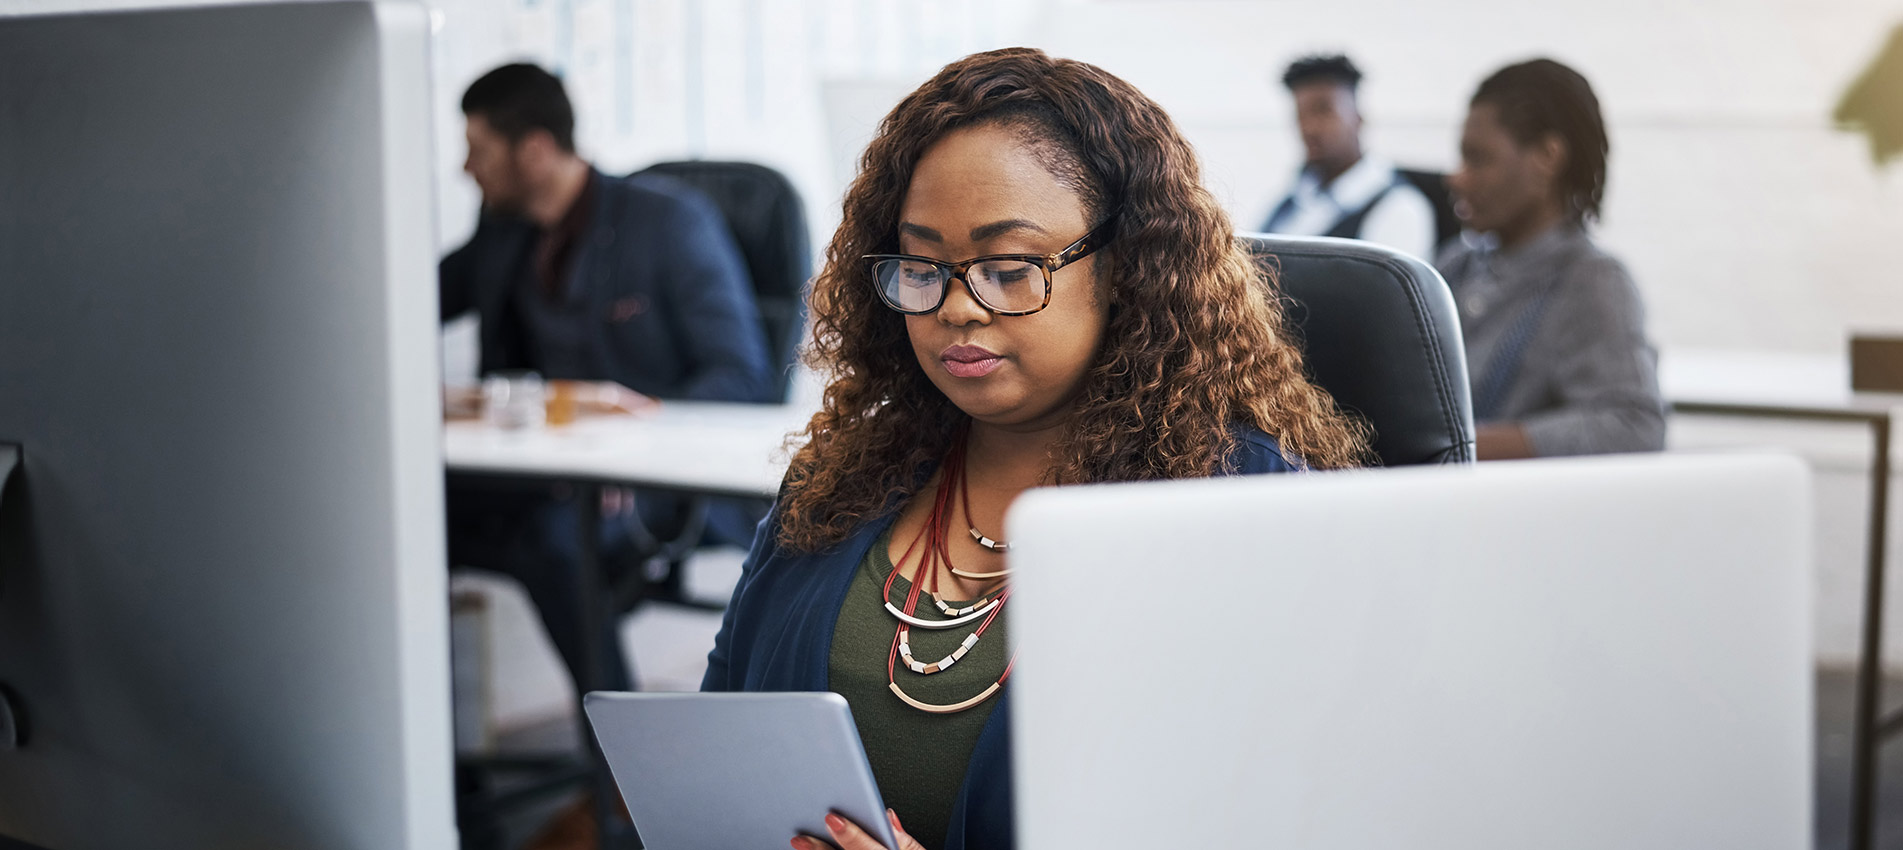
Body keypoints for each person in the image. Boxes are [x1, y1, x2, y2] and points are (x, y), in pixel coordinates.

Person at [701, 48, 1369, 850]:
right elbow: (722, 734)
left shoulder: (1241, 511)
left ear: (1124, 268)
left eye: (1007, 267)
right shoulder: (843, 476)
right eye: (921, 265)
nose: (955, 308)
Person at [439, 63, 775, 697]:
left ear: (534, 151)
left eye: (476, 150)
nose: (466, 170)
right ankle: (436, 769)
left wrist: (634, 445)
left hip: (648, 479)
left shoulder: (669, 223)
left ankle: (613, 774)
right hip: (541, 475)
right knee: (413, 521)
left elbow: (740, 375)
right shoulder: (504, 235)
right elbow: (411, 300)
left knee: (555, 545)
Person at [1437, 59, 1666, 460]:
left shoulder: (1590, 282)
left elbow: (1633, 426)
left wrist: (1462, 446)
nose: (1456, 178)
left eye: (1478, 159)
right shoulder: (1456, 264)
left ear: (1547, 156)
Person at [1260, 54, 1441, 261]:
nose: (1309, 127)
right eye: (1301, 114)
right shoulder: (1293, 200)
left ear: (1358, 118)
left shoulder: (1398, 208)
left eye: (1323, 111)